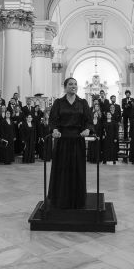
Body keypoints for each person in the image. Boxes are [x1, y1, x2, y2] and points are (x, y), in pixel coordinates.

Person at [48, 78, 93, 209]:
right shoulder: (59, 103)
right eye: (70, 84)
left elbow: (89, 120)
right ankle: (60, 198)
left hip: (77, 140)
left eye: (75, 84)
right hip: (62, 140)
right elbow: (52, 120)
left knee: (77, 169)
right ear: (65, 87)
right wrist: (55, 129)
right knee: (62, 169)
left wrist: (88, 129)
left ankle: (77, 199)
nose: (73, 86)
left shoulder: (82, 102)